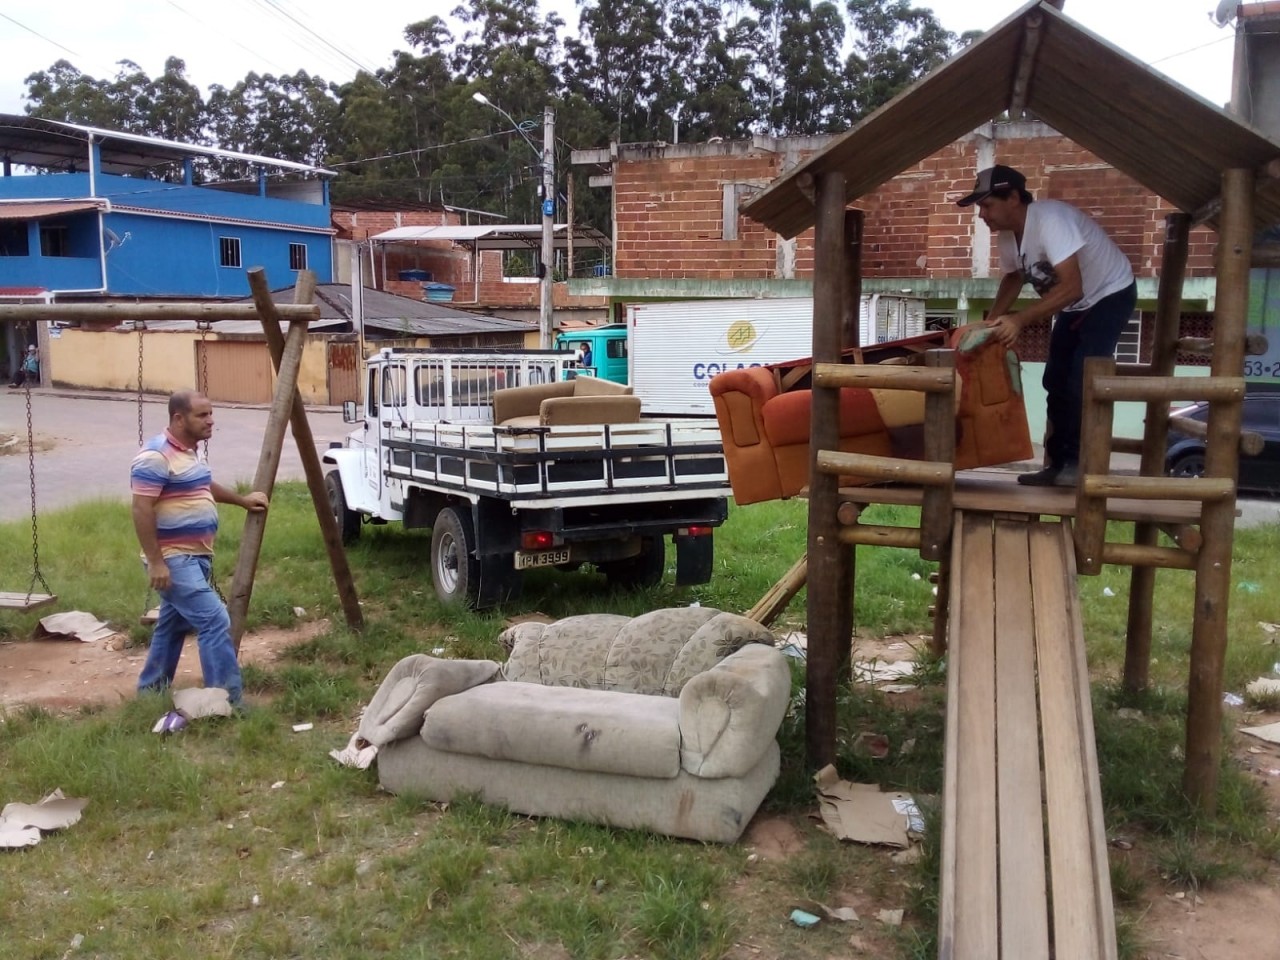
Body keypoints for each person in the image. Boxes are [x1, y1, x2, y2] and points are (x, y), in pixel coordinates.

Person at [958, 165, 1137, 487]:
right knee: (1054, 379)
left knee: (1082, 380)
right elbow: (1014, 276)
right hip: (1074, 302)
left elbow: (1072, 287)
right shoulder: (1007, 236)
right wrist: (991, 322)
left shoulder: (1051, 220)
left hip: (1109, 293)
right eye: (979, 207)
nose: (982, 214)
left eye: (987, 205)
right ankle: (1057, 465)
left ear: (1013, 197)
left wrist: (1019, 320)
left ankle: (1078, 465)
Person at [131, 390, 268, 706]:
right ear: (179, 419)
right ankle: (226, 701)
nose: (211, 421)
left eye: (211, 414)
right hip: (173, 559)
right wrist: (156, 562)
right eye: (202, 415)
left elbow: (202, 484)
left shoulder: (190, 453)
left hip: (196, 556)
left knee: (171, 625)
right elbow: (141, 509)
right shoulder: (156, 456)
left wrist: (243, 501)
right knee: (215, 619)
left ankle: (150, 692)